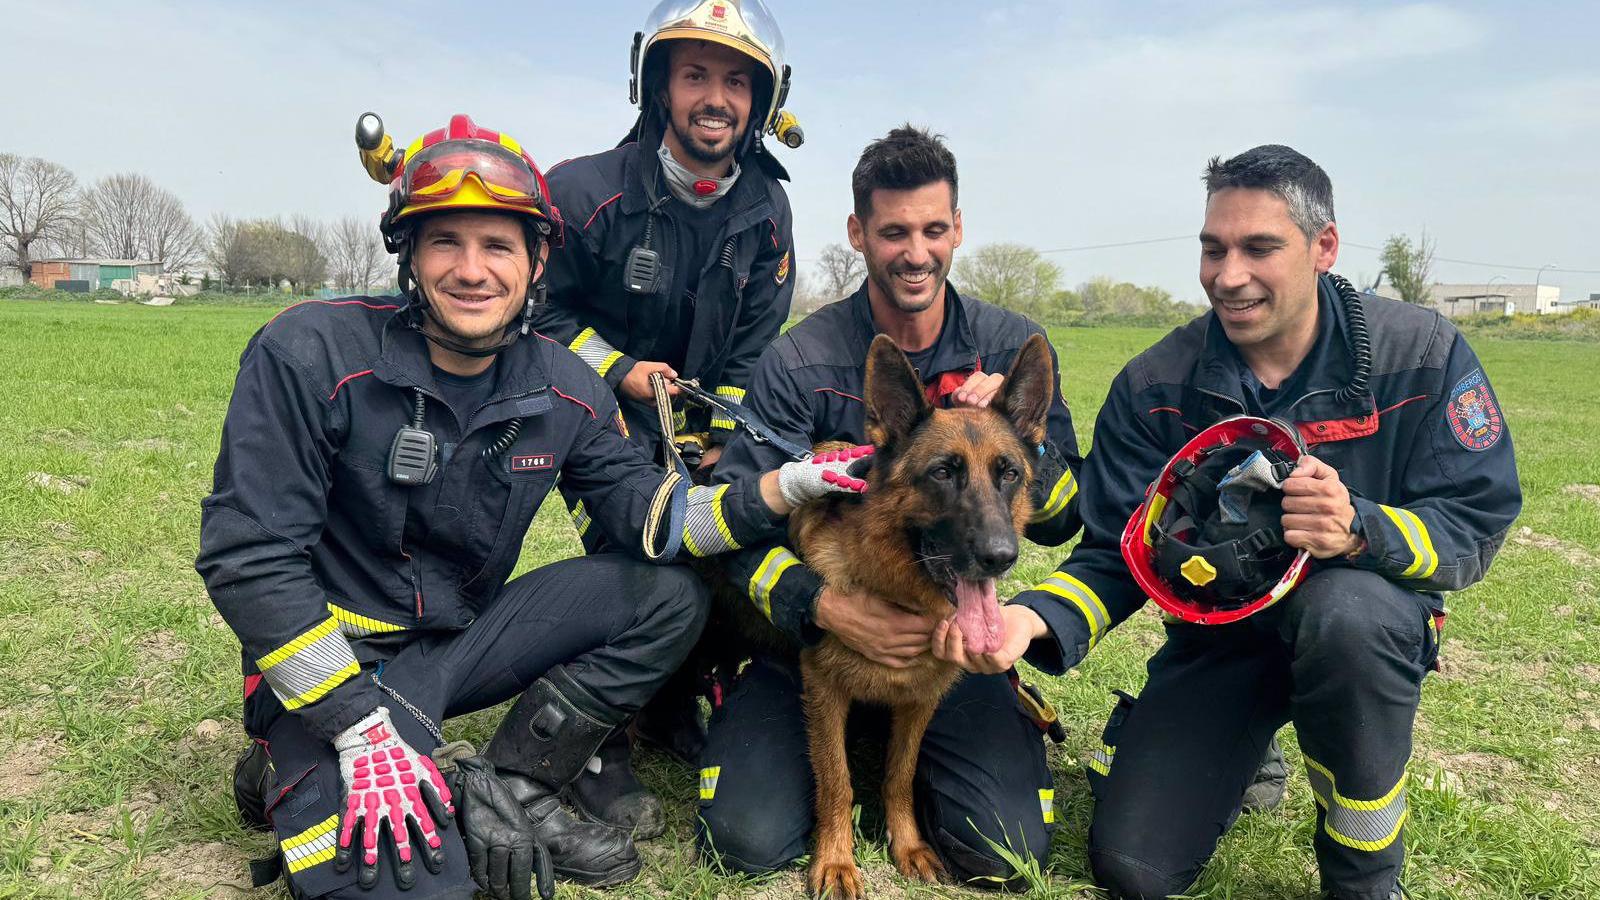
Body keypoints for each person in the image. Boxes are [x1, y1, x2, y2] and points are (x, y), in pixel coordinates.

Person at [198, 114, 863, 900]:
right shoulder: (307, 351)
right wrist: (354, 722)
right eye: (445, 241)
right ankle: (289, 751)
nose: (471, 270)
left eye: (498, 246)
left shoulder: (564, 384)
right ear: (408, 254)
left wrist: (785, 488)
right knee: (413, 887)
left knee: (667, 593)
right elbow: (248, 558)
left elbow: (660, 520)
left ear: (537, 260)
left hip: (451, 651)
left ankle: (518, 785)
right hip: (332, 664)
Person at [1001, 144, 1522, 900]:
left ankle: (1365, 879)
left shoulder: (1423, 353)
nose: (1228, 274)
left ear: (1325, 247)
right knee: (1132, 869)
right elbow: (1119, 554)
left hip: (1360, 630)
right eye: (1213, 249)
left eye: (1259, 248)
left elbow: (1477, 514)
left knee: (1346, 614)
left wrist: (1360, 529)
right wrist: (1033, 619)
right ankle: (1248, 752)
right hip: (1222, 640)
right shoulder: (1155, 386)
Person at [697, 125, 1087, 885]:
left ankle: (910, 775)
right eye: (894, 231)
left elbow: (1068, 513)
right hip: (816, 638)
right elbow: (732, 517)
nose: (917, 251)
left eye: (934, 229)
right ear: (858, 233)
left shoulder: (1013, 345)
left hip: (950, 641)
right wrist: (823, 606)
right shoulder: (799, 358)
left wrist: (1020, 443)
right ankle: (768, 720)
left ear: (958, 231)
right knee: (743, 839)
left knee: (1002, 849)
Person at [529, 0, 800, 836]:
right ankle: (591, 738)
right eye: (694, 75)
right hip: (593, 420)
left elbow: (758, 347)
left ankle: (672, 696)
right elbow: (532, 318)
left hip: (704, 427)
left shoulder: (768, 210)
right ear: (656, 85)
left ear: (761, 101)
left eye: (734, 81)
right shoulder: (580, 192)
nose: (713, 97)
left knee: (741, 535)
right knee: (638, 557)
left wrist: (729, 439)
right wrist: (617, 371)